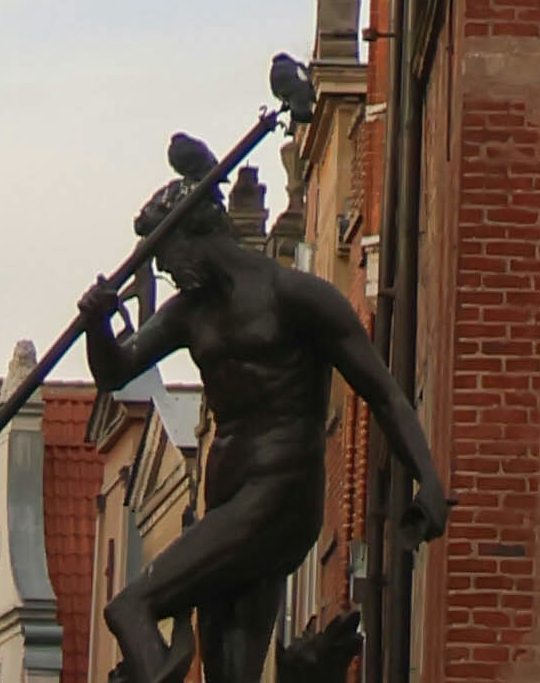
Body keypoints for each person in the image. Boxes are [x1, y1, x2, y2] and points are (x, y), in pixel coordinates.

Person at [91, 133, 447, 683]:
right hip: (228, 495)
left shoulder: (296, 296)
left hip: (279, 494)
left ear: (196, 234)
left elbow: (382, 391)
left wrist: (427, 477)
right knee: (230, 673)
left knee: (130, 607)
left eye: (168, 259)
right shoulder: (191, 312)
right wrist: (96, 323)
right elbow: (116, 370)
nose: (168, 274)